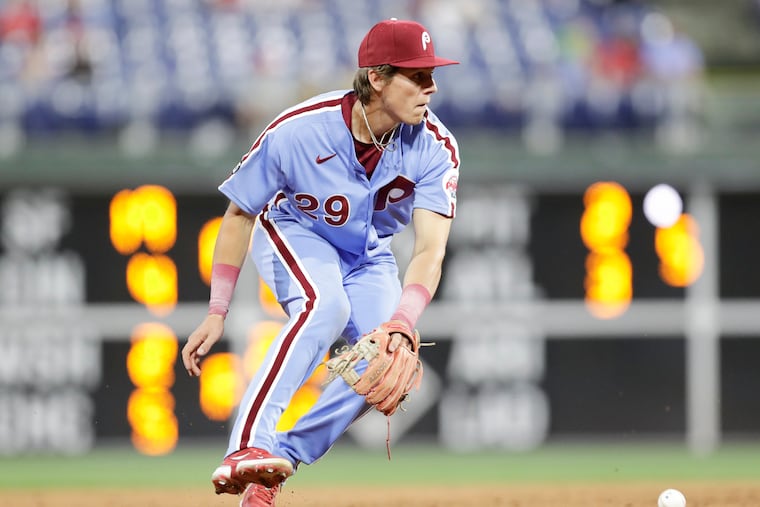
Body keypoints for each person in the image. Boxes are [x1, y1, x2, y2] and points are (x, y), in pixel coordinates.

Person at [181, 18, 460, 507]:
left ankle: (274, 466)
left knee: (386, 359)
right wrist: (217, 309)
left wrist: (402, 322)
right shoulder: (299, 130)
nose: (430, 87)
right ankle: (247, 443)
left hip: (369, 252)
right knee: (324, 306)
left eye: (431, 74)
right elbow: (239, 212)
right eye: (416, 76)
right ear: (376, 77)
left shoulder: (435, 147)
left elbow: (429, 250)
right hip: (295, 230)